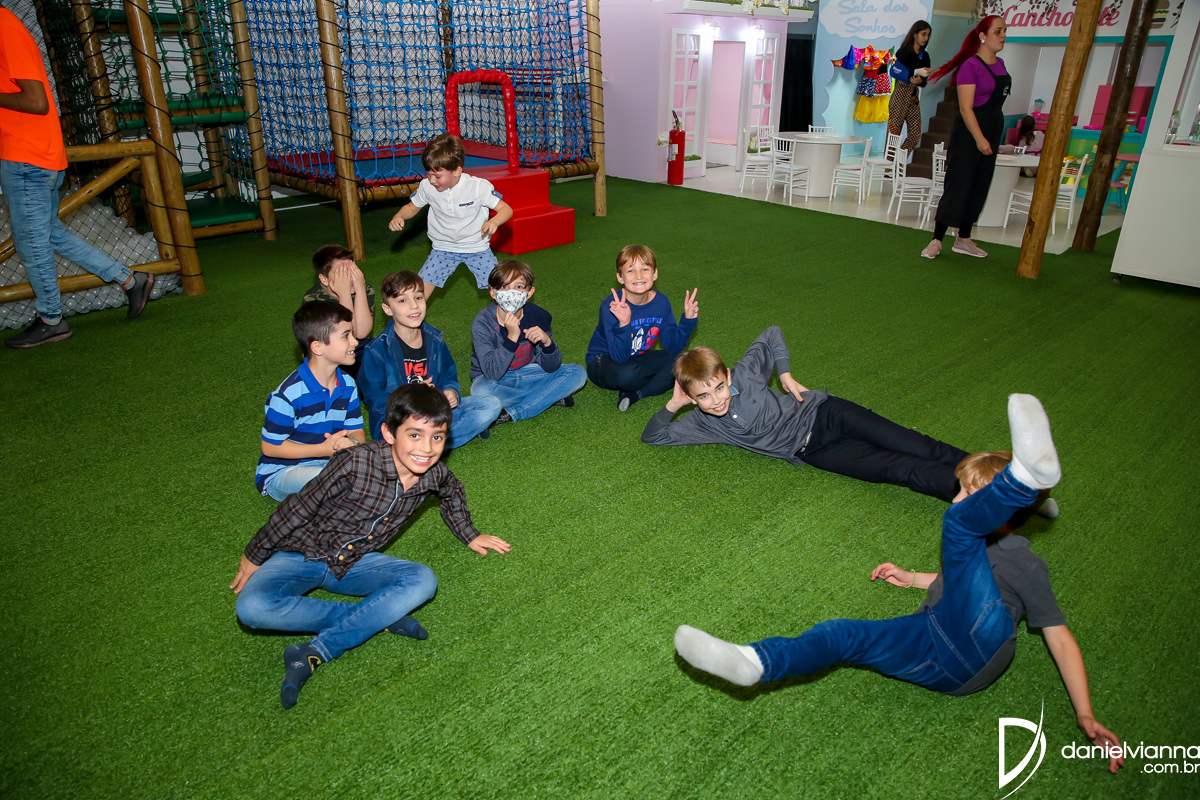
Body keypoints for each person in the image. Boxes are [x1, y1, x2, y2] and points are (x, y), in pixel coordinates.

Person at [674, 395, 1123, 776]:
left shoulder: (1023, 561)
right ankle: (756, 662)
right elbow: (955, 584)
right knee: (843, 634)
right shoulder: (968, 559)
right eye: (962, 490)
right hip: (938, 659)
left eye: (967, 494)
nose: (956, 497)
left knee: (958, 528)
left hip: (983, 646)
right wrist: (912, 578)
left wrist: (1085, 713)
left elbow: (1059, 638)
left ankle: (1025, 483)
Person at [232, 383, 512, 709]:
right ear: (389, 433)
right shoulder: (355, 462)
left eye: (437, 437)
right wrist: (255, 553)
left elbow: (453, 492)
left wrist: (469, 534)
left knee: (423, 580)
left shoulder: (434, 474)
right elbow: (299, 507)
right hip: (301, 553)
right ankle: (378, 615)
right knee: (251, 608)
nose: (426, 448)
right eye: (415, 435)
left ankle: (317, 650)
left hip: (355, 562)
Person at [1, 7, 154, 348]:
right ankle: (131, 280)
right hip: (25, 154)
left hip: (28, 157)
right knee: (49, 234)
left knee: (31, 242)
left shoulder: (5, 27)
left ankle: (52, 320)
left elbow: (36, 101)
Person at [359, 269, 502, 446]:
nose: (413, 306)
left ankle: (423, 445)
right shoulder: (377, 350)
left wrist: (451, 391)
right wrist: (410, 397)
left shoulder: (435, 340)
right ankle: (432, 441)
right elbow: (374, 399)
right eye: (402, 300)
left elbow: (448, 376)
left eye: (418, 298)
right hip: (401, 422)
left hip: (435, 413)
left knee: (490, 404)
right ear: (388, 309)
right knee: (400, 434)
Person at [255, 301, 365, 501]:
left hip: (329, 463)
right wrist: (322, 449)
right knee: (335, 481)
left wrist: (352, 444)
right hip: (284, 472)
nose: (355, 341)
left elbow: (356, 431)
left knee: (374, 466)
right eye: (346, 336)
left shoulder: (348, 384)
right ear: (318, 347)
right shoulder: (289, 394)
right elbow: (270, 447)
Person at [922, 15, 1010, 260]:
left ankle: (963, 239)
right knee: (958, 185)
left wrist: (991, 138)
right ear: (983, 35)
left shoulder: (1001, 64)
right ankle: (936, 240)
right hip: (969, 134)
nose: (1003, 35)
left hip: (992, 130)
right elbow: (965, 108)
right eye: (998, 31)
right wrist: (980, 139)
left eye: (1005, 31)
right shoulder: (971, 66)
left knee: (979, 185)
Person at [387, 133, 514, 297]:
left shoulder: (477, 187)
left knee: (500, 291)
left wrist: (494, 222)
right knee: (420, 292)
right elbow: (412, 208)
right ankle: (413, 313)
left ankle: (511, 311)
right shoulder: (427, 187)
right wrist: (399, 216)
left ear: (457, 171)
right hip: (442, 248)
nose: (432, 180)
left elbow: (506, 209)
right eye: (428, 174)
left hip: (476, 247)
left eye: (437, 176)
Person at [470, 259, 586, 426]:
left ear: (529, 292)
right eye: (504, 287)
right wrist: (512, 337)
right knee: (480, 391)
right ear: (492, 292)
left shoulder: (539, 316)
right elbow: (492, 372)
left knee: (578, 373)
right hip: (494, 380)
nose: (511, 293)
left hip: (528, 373)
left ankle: (515, 411)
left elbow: (552, 367)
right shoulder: (483, 322)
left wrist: (547, 343)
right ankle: (549, 396)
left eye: (518, 287)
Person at [586, 245, 699, 412]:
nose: (638, 276)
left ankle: (636, 394)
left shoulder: (661, 301)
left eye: (645, 269)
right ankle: (649, 381)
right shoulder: (612, 306)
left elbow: (673, 347)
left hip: (638, 356)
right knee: (628, 375)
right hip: (603, 361)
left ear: (655, 274)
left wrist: (688, 321)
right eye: (631, 271)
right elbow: (619, 357)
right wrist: (624, 323)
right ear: (620, 277)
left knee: (689, 360)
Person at [304, 244, 374, 378]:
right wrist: (344, 294)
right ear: (324, 279)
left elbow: (361, 333)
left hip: (354, 346)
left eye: (351, 270)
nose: (349, 278)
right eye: (341, 273)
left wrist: (360, 289)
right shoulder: (313, 300)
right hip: (328, 353)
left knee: (380, 350)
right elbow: (349, 334)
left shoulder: (364, 288)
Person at [887, 20, 933, 155]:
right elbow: (895, 71)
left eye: (928, 35)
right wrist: (915, 72)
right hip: (900, 94)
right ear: (915, 34)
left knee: (915, 134)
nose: (926, 38)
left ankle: (899, 159)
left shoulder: (925, 56)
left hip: (913, 95)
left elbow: (924, 81)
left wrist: (920, 80)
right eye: (923, 34)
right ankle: (889, 165)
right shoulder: (904, 52)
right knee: (893, 133)